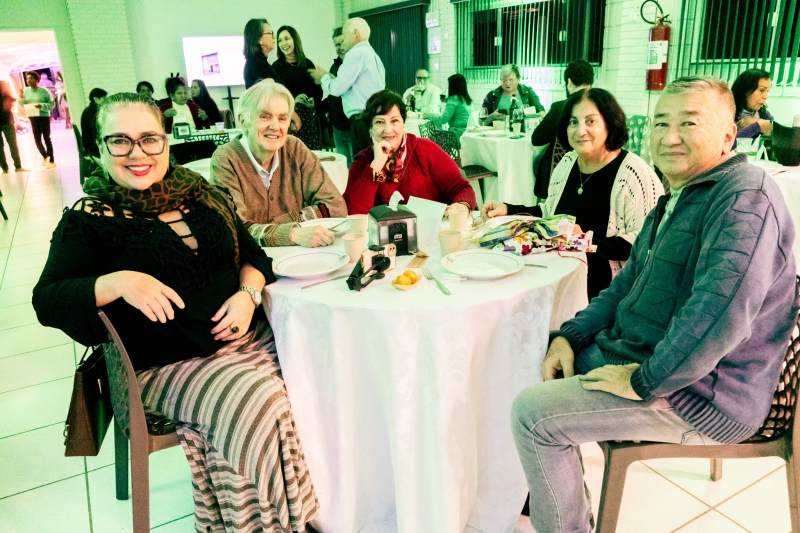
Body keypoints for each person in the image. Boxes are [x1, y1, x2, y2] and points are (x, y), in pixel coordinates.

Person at [510, 76, 798, 533]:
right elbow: (625, 285)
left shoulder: (744, 197)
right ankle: (548, 495)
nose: (669, 136)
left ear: (728, 135)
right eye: (661, 122)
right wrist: (570, 335)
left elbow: (718, 317)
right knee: (529, 355)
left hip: (700, 394)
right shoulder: (679, 196)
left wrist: (643, 381)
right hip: (645, 357)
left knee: (532, 415)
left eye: (689, 123)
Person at [32, 92, 320, 533]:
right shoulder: (89, 219)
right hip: (168, 364)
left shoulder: (202, 195)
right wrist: (119, 282)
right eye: (120, 141)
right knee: (260, 403)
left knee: (320, 371)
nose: (138, 153)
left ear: (165, 141)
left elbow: (254, 257)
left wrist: (247, 295)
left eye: (149, 139)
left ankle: (326, 510)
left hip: (248, 339)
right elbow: (48, 299)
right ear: (97, 149)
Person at [484, 88, 663, 299]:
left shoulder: (634, 174)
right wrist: (509, 209)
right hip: (557, 270)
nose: (580, 131)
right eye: (573, 122)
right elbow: (550, 213)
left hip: (604, 289)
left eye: (590, 121)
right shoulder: (568, 162)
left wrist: (583, 240)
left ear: (609, 123)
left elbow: (645, 244)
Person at [210, 80, 346, 248]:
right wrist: (291, 233)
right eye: (264, 116)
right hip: (251, 261)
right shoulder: (226, 159)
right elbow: (232, 229)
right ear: (243, 120)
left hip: (299, 257)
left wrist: (283, 222)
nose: (275, 126)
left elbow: (336, 207)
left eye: (282, 118)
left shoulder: (295, 148)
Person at [344, 90, 476, 215]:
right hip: (383, 232)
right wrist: (376, 166)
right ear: (370, 129)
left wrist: (462, 205)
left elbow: (461, 188)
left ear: (403, 124)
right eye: (379, 122)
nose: (388, 129)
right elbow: (354, 214)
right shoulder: (362, 162)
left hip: (432, 229)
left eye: (394, 121)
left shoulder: (425, 149)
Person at [308, 17, 385, 156]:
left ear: (355, 33)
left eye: (344, 36)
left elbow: (337, 89)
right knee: (372, 164)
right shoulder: (373, 56)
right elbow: (353, 86)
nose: (344, 42)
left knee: (362, 166)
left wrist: (324, 77)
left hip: (360, 121)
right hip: (373, 119)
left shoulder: (355, 53)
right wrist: (330, 78)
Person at [531, 59, 593, 199]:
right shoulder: (600, 107)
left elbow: (537, 139)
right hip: (591, 173)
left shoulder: (560, 108)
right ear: (591, 82)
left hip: (561, 175)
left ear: (569, 82)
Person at [274, 25, 324, 150]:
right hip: (288, 120)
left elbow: (318, 90)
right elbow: (274, 96)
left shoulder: (307, 63)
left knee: (311, 155)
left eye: (287, 39)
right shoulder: (276, 67)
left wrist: (313, 100)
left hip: (308, 119)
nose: (283, 43)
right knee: (290, 155)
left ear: (295, 40)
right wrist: (293, 101)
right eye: (280, 40)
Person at [480, 64, 545, 125]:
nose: (508, 83)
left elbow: (539, 109)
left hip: (522, 130)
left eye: (511, 80)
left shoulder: (528, 92)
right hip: (498, 131)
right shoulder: (492, 95)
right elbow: (481, 122)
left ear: (518, 79)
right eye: (504, 80)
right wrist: (492, 117)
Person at [326, 27, 353, 165]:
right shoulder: (334, 66)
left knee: (357, 169)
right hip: (337, 128)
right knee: (344, 168)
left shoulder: (355, 65)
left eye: (343, 42)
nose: (341, 47)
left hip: (352, 127)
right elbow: (333, 96)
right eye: (337, 44)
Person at [20, 71, 56, 168]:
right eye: (27, 78)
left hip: (43, 117)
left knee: (47, 138)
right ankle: (45, 156)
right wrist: (21, 98)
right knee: (37, 139)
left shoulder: (44, 91)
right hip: (33, 117)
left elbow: (51, 104)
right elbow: (21, 105)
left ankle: (52, 160)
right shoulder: (25, 91)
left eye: (31, 78)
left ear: (37, 80)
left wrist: (42, 106)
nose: (28, 80)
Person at [425, 73, 472, 143]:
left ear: (453, 86)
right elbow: (458, 107)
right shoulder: (466, 99)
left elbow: (443, 120)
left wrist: (428, 115)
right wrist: (447, 101)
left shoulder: (453, 99)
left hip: (456, 135)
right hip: (466, 133)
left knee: (430, 138)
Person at [732, 68, 773, 139]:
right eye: (762, 90)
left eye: (767, 91)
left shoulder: (764, 114)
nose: (766, 96)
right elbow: (725, 142)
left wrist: (757, 123)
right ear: (745, 90)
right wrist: (757, 127)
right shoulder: (727, 113)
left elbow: (780, 136)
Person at [243, 18, 282, 89]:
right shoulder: (258, 65)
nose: (274, 36)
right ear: (259, 39)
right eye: (270, 33)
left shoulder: (257, 62)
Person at [0, 81, 26, 173]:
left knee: (11, 144)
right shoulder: (3, 84)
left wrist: (13, 99)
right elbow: (10, 99)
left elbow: (10, 99)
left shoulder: (3, 84)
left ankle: (7, 168)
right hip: (7, 119)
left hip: (7, 119)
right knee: (12, 144)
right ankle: (14, 167)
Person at [80, 88, 107, 159]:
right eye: (104, 99)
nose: (106, 101)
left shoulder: (88, 109)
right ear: (95, 99)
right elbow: (97, 131)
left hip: (90, 145)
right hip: (94, 147)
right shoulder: (93, 112)